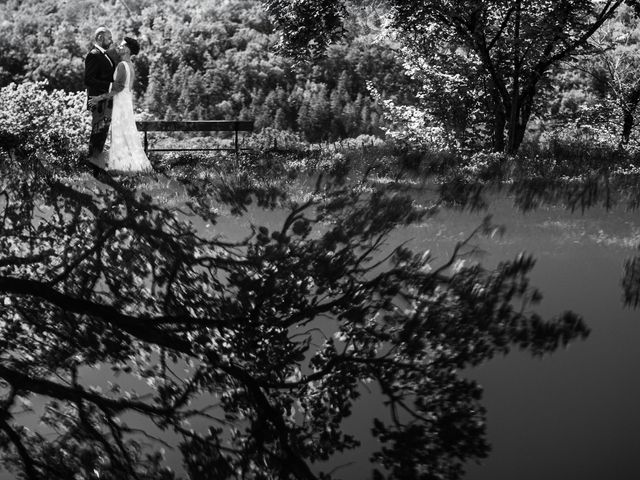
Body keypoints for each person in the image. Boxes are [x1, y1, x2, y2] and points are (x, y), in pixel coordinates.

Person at [88, 36, 152, 173]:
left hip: (120, 104)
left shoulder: (122, 65)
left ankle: (121, 166)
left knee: (119, 133)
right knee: (126, 133)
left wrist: (98, 98)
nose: (119, 47)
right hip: (126, 102)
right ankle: (128, 166)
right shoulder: (130, 65)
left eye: (123, 46)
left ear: (128, 50)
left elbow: (117, 89)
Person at [84, 27, 116, 164]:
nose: (111, 41)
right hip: (98, 103)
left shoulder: (105, 55)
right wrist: (109, 86)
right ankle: (93, 168)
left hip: (105, 103)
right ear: (100, 37)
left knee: (101, 137)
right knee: (97, 136)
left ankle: (97, 168)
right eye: (109, 38)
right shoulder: (93, 54)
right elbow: (89, 79)